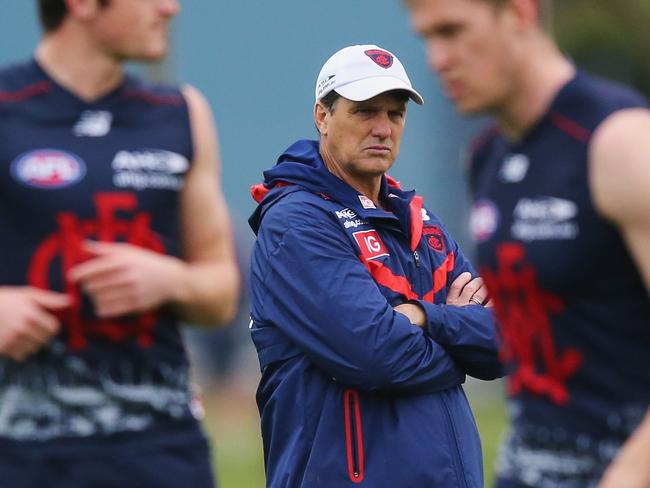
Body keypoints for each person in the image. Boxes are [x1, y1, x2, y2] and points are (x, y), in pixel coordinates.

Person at [404, 0, 650, 486]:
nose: (436, 59)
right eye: (427, 38)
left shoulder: (619, 141)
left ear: (519, 15)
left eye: (453, 32)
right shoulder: (486, 157)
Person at [0, 0, 239, 487]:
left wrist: (170, 280)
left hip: (162, 454)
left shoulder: (182, 113)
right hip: (22, 456)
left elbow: (221, 293)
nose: (170, 9)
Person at [248, 44, 502, 487]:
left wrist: (425, 316)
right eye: (364, 111)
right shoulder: (297, 221)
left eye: (395, 113)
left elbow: (506, 339)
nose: (383, 128)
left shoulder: (417, 219)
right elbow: (379, 356)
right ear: (322, 117)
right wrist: (459, 341)